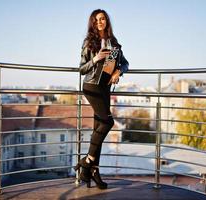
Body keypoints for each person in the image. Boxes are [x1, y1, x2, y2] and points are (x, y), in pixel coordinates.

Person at [74, 9, 129, 189]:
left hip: (105, 88)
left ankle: (93, 171)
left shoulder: (114, 42)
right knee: (107, 123)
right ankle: (87, 160)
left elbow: (125, 62)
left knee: (99, 127)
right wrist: (96, 58)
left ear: (106, 21)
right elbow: (81, 68)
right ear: (93, 22)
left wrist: (118, 71)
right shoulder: (89, 42)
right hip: (91, 86)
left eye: (103, 19)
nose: (100, 22)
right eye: (96, 19)